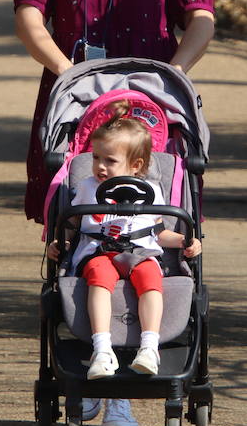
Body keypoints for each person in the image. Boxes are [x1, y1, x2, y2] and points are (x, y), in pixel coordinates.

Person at [13, 0, 215, 426]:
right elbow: (29, 10)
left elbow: (200, 12)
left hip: (151, 115)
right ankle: (90, 368)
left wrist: (173, 75)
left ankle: (135, 370)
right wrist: (67, 73)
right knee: (81, 235)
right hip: (77, 107)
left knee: (150, 230)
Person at [46, 110, 202, 378]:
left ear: (135, 165)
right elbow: (72, 225)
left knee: (151, 278)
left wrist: (185, 241)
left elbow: (158, 232)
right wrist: (60, 242)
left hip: (141, 252)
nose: (100, 166)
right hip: (99, 252)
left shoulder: (150, 192)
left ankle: (150, 347)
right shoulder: (86, 187)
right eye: (96, 158)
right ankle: (102, 349)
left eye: (110, 160)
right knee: (99, 275)